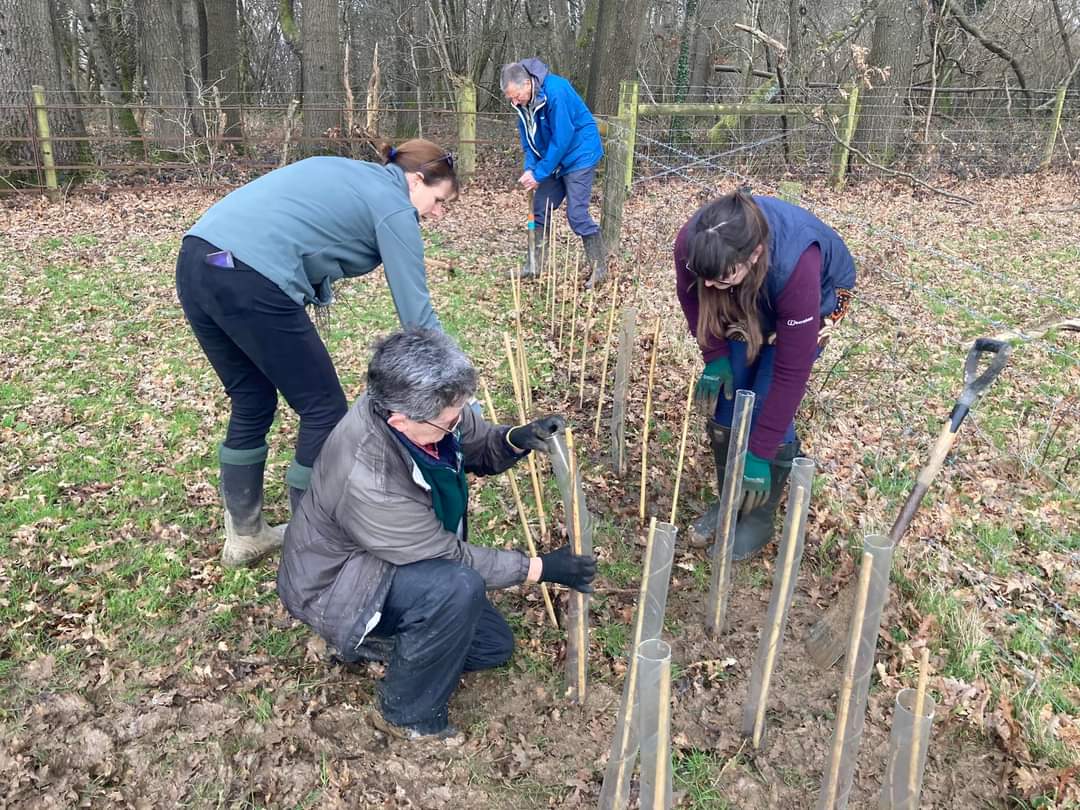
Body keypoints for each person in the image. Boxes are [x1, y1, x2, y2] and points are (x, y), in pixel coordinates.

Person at [277, 328, 597, 739]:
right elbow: (446, 556)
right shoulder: (366, 477)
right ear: (400, 420)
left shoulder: (420, 412)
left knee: (492, 646)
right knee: (456, 586)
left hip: (383, 561)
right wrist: (538, 567)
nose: (457, 424)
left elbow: (470, 438)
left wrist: (515, 439)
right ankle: (408, 713)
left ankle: (391, 644)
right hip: (336, 586)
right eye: (449, 422)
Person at [176, 139, 458, 568]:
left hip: (200, 259)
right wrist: (453, 381)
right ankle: (312, 545)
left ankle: (246, 536)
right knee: (324, 409)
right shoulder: (393, 204)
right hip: (250, 277)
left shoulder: (348, 171)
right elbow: (416, 318)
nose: (437, 215)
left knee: (252, 399)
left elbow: (304, 229)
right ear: (416, 180)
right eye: (439, 201)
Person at [676, 189, 856, 558]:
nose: (710, 286)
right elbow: (692, 294)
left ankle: (758, 517)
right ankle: (732, 502)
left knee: (765, 396)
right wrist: (715, 354)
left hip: (818, 295)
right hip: (751, 286)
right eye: (706, 277)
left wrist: (762, 449)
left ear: (754, 254)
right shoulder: (695, 246)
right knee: (731, 394)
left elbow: (791, 371)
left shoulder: (797, 265)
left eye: (720, 279)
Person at [501, 59, 607, 286]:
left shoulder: (556, 92)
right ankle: (533, 265)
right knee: (539, 209)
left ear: (528, 84)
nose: (513, 101)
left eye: (515, 95)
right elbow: (528, 142)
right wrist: (530, 168)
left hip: (579, 154)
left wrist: (539, 173)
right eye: (509, 97)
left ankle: (600, 269)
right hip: (554, 158)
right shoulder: (522, 104)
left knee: (577, 215)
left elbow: (563, 137)